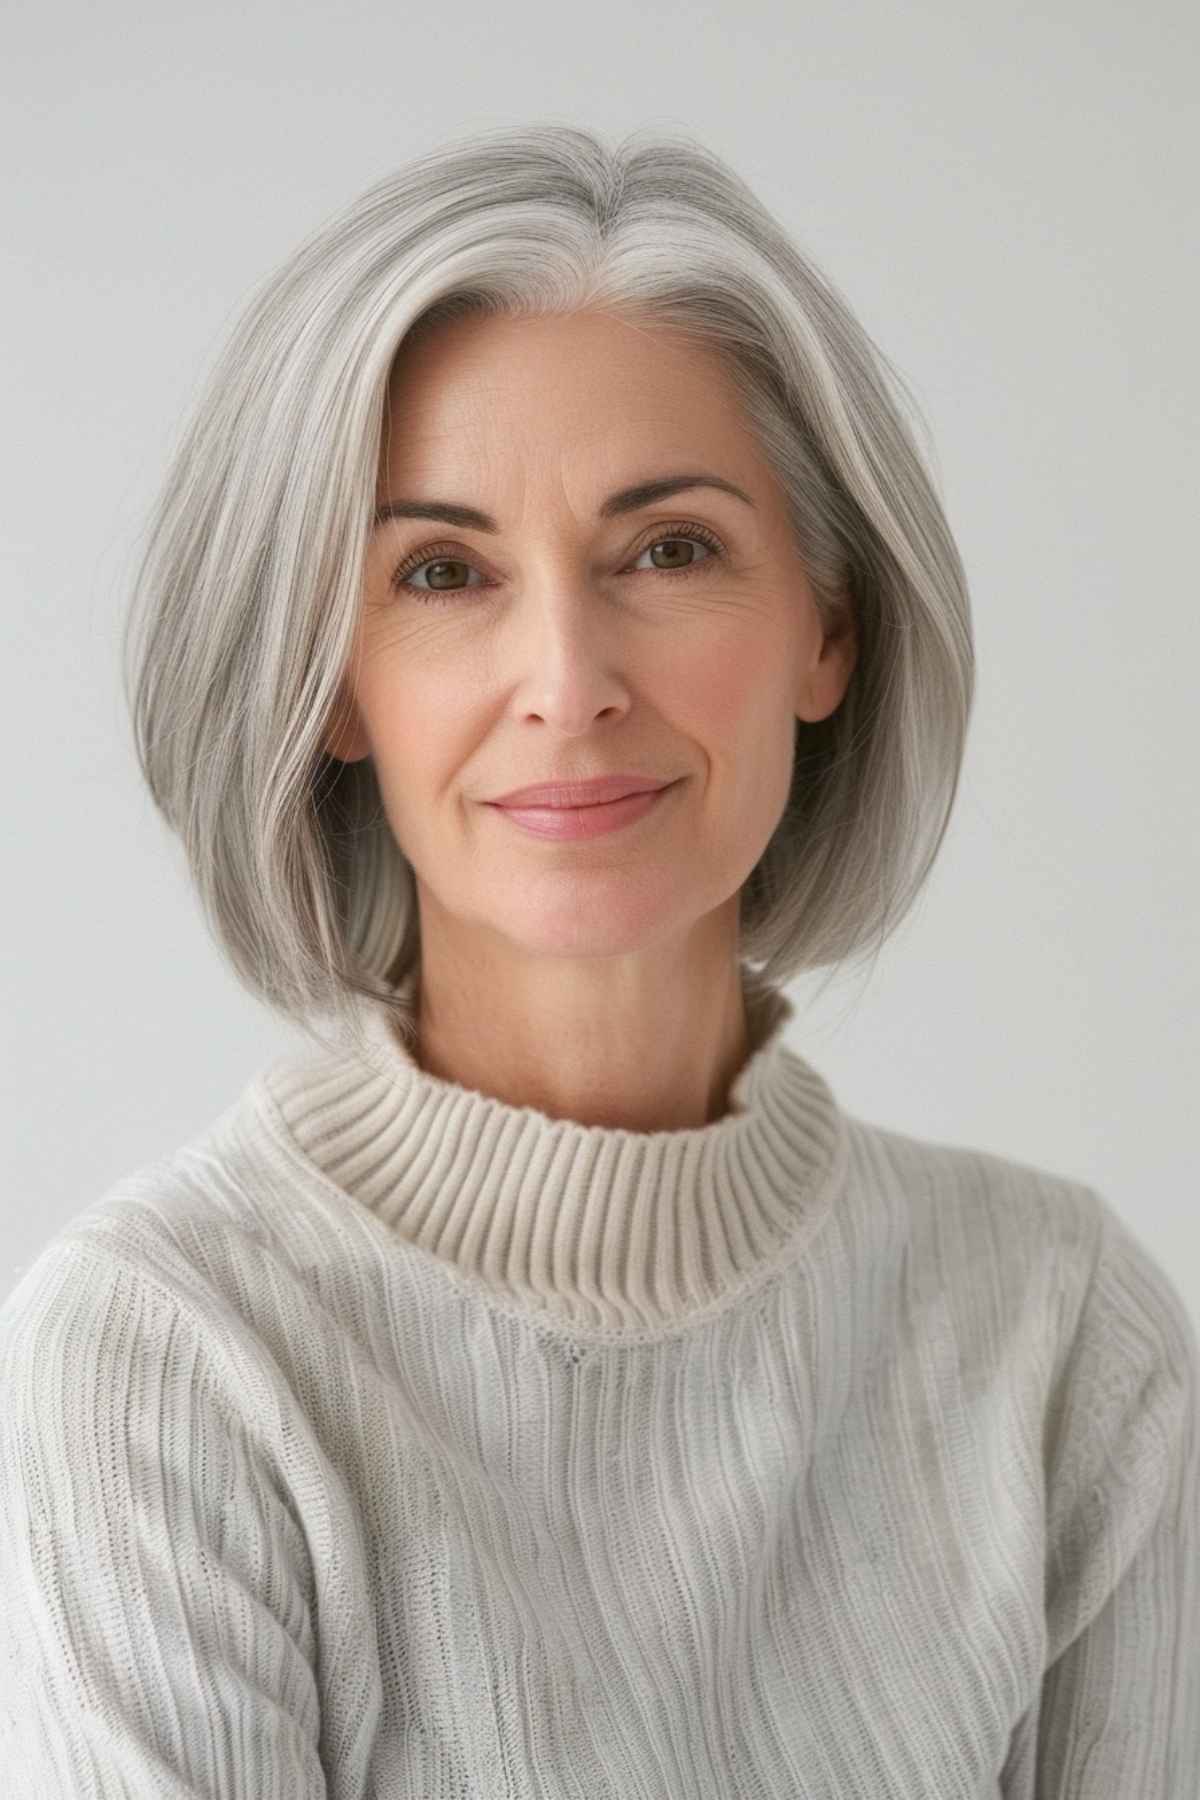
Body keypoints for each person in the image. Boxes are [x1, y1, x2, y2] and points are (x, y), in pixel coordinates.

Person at [1, 123, 1195, 1798]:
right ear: (330, 684)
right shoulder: (169, 1357)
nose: (566, 678)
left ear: (827, 626)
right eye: (442, 572)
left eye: (670, 549)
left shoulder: (1062, 1341)